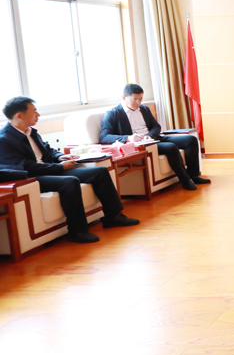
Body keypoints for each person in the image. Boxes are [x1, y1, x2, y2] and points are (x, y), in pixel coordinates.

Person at [0, 96, 139, 244]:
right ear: (19, 116)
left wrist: (60, 157)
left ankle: (113, 216)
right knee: (70, 182)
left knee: (100, 172)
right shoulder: (4, 139)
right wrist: (60, 167)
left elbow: (47, 149)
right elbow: (26, 167)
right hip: (33, 177)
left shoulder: (30, 131)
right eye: (34, 111)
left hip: (50, 169)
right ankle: (77, 231)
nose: (38, 115)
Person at [100, 83, 209, 191]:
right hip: (139, 145)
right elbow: (104, 137)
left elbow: (156, 126)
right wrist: (128, 138)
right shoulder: (113, 114)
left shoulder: (144, 109)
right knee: (170, 147)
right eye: (134, 99)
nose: (138, 103)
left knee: (191, 140)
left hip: (153, 138)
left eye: (140, 99)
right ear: (124, 98)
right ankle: (185, 180)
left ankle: (194, 176)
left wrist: (150, 135)